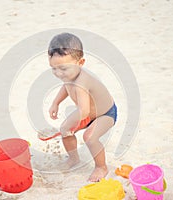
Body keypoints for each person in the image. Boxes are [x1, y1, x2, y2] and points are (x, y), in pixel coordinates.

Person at [47, 32, 117, 182]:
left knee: (89, 137)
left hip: (105, 113)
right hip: (88, 113)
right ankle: (73, 159)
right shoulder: (70, 75)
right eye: (54, 68)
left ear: (80, 63)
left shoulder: (81, 82)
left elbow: (83, 111)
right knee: (65, 130)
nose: (59, 73)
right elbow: (66, 87)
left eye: (63, 69)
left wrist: (70, 125)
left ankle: (101, 167)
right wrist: (56, 103)